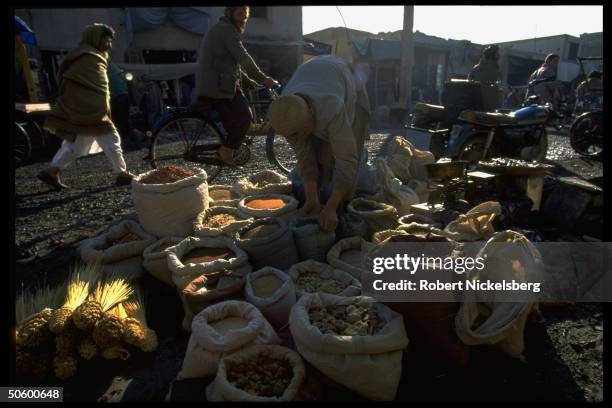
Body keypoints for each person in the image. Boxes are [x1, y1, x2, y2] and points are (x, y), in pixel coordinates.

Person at [267, 55, 371, 233]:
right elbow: (305, 157)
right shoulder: (286, 110)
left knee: (340, 158)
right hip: (318, 80)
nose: (297, 137)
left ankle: (341, 212)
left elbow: (346, 159)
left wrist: (331, 207)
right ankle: (319, 203)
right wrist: (311, 198)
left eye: (301, 132)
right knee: (318, 157)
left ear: (310, 120)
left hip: (350, 89)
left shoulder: (332, 107)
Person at [37, 24, 133, 190]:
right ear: (97, 38)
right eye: (107, 40)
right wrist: (100, 109)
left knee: (77, 143)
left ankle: (52, 171)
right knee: (111, 139)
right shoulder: (90, 57)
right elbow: (97, 88)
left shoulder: (82, 56)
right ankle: (121, 173)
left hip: (82, 109)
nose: (109, 44)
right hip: (91, 111)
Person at [194, 5, 278, 165]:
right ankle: (226, 151)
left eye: (245, 15)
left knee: (235, 123)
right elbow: (242, 57)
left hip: (222, 82)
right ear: (230, 13)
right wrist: (263, 78)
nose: (243, 18)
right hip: (217, 86)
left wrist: (247, 80)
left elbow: (232, 62)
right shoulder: (226, 29)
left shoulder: (226, 28)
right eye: (240, 14)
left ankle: (229, 146)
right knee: (246, 118)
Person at [107, 60, 135, 148]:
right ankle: (131, 141)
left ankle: (126, 142)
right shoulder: (112, 65)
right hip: (123, 94)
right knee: (124, 120)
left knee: (118, 121)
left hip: (116, 96)